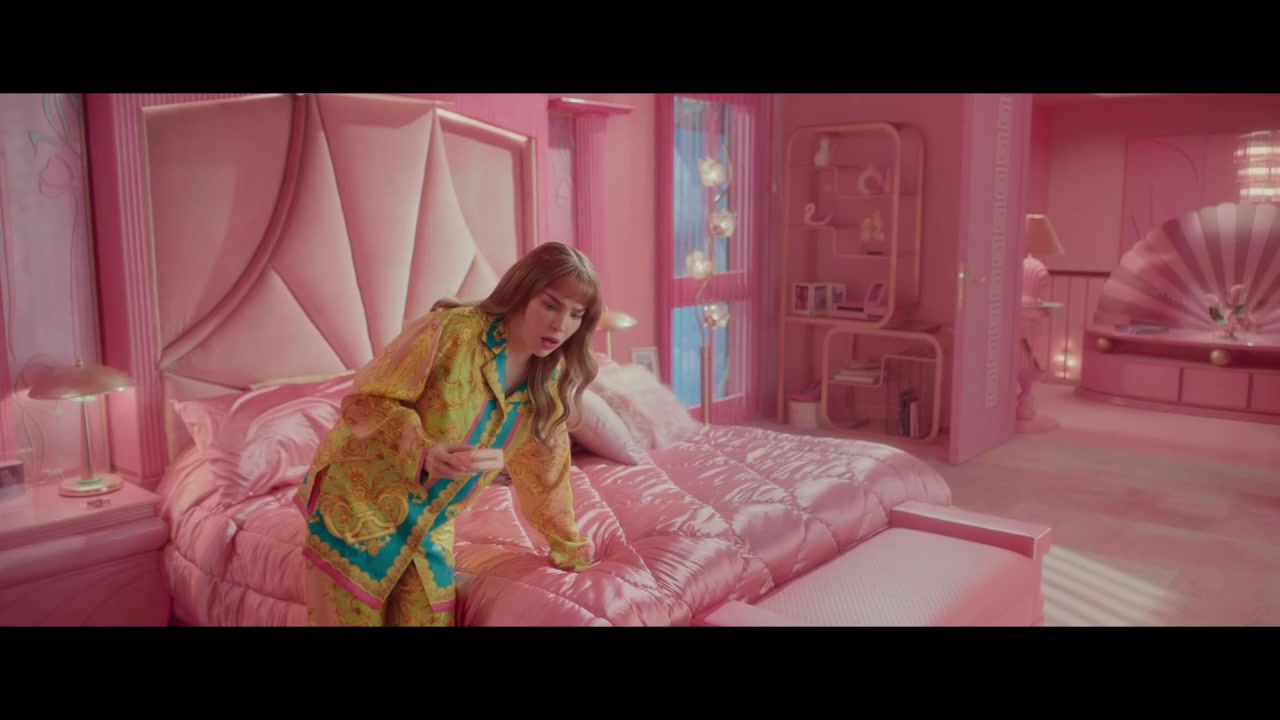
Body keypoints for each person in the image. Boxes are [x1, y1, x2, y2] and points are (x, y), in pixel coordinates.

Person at [295, 242, 601, 627]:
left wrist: (569, 548)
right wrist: (423, 451)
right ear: (522, 291)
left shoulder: (547, 382)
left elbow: (546, 473)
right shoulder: (453, 332)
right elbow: (366, 402)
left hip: (430, 521)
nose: (561, 326)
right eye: (551, 305)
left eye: (576, 314)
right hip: (357, 501)